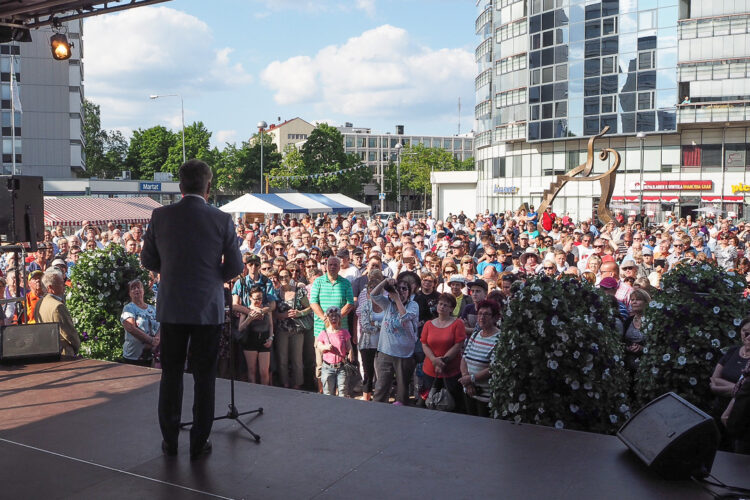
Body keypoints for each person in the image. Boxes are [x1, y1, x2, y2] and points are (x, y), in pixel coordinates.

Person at [140, 159, 243, 460]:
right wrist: (212, 280)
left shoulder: (160, 216)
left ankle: (170, 440)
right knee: (204, 377)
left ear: (180, 186)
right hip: (206, 311)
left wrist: (170, 272)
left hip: (172, 307)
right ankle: (199, 442)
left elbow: (147, 260)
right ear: (208, 186)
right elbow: (236, 266)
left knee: (170, 375)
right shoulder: (222, 219)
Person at [370, 273, 420, 406]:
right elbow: (373, 295)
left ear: (409, 292)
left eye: (405, 289)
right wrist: (385, 281)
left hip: (404, 354)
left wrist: (397, 298)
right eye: (398, 288)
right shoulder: (387, 304)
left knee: (402, 392)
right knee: (381, 388)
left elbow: (405, 318)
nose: (401, 291)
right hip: (386, 352)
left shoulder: (413, 305)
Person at [421, 292, 467, 412]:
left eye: (446, 305)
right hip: (430, 370)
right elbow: (424, 344)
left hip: (451, 371)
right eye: (440, 304)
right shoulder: (428, 324)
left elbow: (458, 344)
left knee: (452, 404)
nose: (442, 307)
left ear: (451, 308)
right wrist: (434, 360)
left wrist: (442, 361)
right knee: (431, 402)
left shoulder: (458, 323)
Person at [459, 299, 502, 417]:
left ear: (495, 318)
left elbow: (493, 367)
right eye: (480, 313)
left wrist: (471, 379)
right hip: (469, 390)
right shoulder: (476, 334)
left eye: (486, 314)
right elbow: (464, 358)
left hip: (485, 395)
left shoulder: (499, 338)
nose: (482, 317)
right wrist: (466, 379)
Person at [273, 270, 309, 389]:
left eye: (286, 276)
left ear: (290, 277)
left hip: (297, 329)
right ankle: (285, 383)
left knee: (297, 359)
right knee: (282, 358)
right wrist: (281, 316)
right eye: (281, 276)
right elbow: (273, 313)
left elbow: (309, 307)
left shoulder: (298, 291)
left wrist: (299, 313)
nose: (284, 279)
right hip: (281, 329)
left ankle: (297, 384)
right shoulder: (276, 293)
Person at [34, 269, 80, 358]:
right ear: (50, 288)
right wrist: (77, 347)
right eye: (61, 283)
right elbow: (69, 333)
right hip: (63, 353)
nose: (64, 285)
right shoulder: (58, 306)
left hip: (45, 351)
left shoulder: (39, 303)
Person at [356, 270, 385, 401]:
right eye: (370, 289)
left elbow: (388, 323)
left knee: (381, 373)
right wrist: (380, 325)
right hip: (367, 345)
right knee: (368, 373)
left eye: (376, 289)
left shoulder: (386, 304)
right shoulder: (365, 307)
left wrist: (376, 323)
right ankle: (366, 398)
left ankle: (380, 398)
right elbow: (366, 326)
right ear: (368, 292)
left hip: (382, 345)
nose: (373, 292)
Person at [237, 286, 274, 385]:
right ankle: (253, 392)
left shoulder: (266, 309)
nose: (258, 301)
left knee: (264, 371)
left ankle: (264, 392)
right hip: (250, 339)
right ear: (250, 298)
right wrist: (249, 318)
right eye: (256, 299)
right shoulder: (246, 310)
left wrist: (271, 338)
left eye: (260, 298)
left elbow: (271, 325)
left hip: (264, 339)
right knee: (252, 370)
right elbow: (240, 328)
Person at [120, 279, 160, 366]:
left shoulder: (153, 309)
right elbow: (131, 328)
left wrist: (157, 339)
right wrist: (151, 340)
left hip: (152, 356)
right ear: (129, 293)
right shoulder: (128, 308)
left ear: (143, 291)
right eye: (133, 288)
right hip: (133, 356)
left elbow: (160, 326)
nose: (137, 290)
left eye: (139, 287)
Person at [315, 306, 352, 397]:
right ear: (327, 318)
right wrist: (326, 347)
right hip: (328, 367)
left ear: (340, 318)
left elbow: (349, 345)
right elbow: (319, 346)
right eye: (331, 316)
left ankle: (341, 409)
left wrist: (351, 353)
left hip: (341, 366)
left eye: (336, 316)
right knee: (328, 392)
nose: (334, 318)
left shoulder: (344, 332)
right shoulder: (324, 333)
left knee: (342, 391)